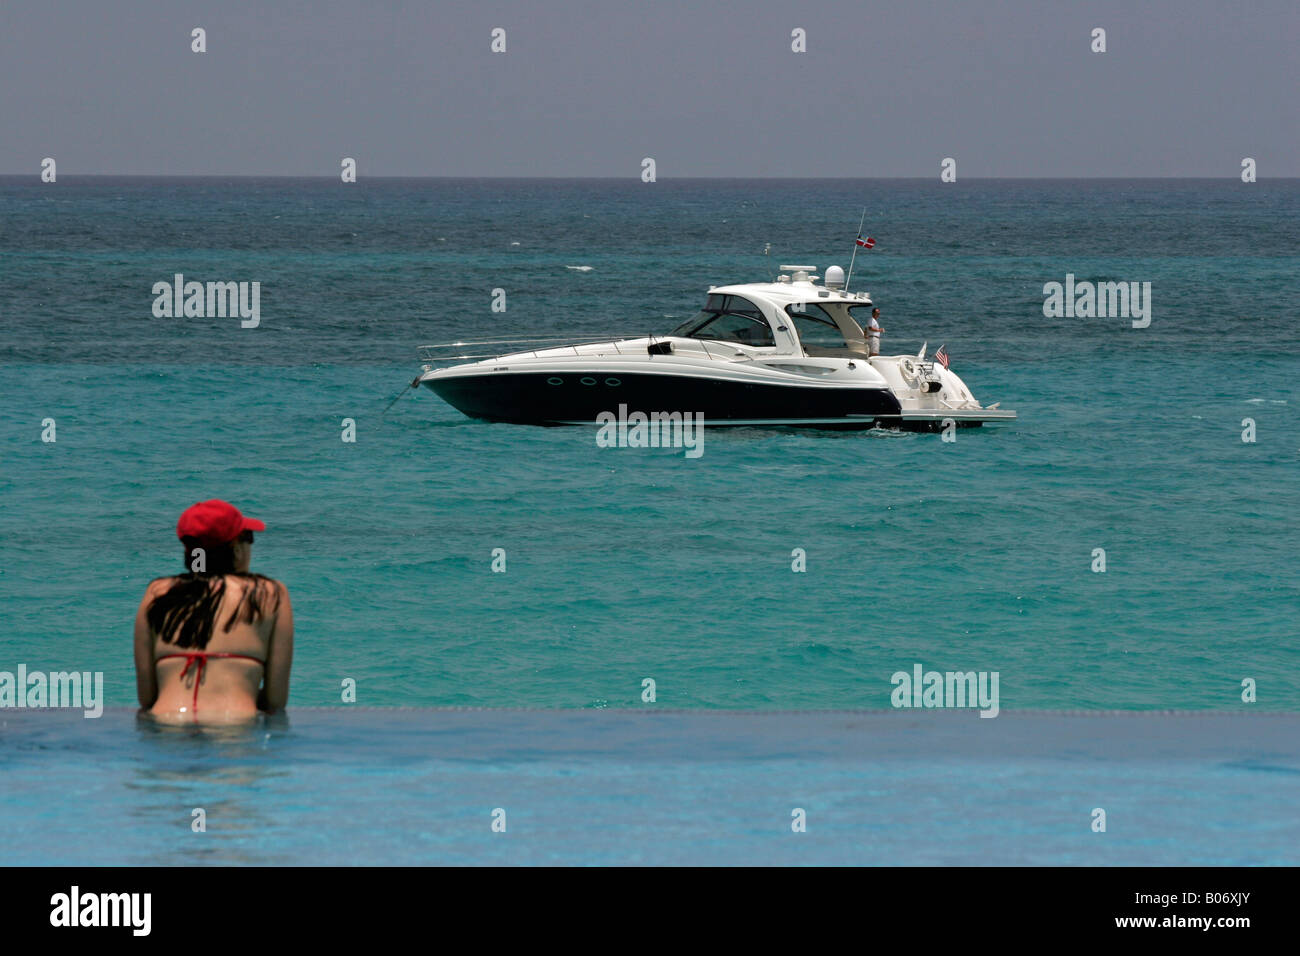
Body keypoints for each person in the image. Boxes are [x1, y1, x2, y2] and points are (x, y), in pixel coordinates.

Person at [134, 499, 293, 722]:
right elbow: (275, 701)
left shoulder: (156, 594)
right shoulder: (271, 594)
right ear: (236, 550)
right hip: (235, 727)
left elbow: (147, 697)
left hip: (167, 725)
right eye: (248, 538)